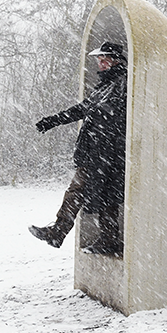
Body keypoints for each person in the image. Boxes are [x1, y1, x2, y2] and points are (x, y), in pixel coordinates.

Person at [29, 41, 128, 256]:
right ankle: (107, 238)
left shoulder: (122, 82)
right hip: (99, 152)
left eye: (104, 60)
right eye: (99, 60)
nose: (100, 64)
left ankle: (59, 231)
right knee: (105, 196)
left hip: (107, 151)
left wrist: (98, 114)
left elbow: (111, 113)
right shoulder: (105, 85)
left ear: (115, 61)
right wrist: (53, 120)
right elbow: (83, 109)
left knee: (83, 191)